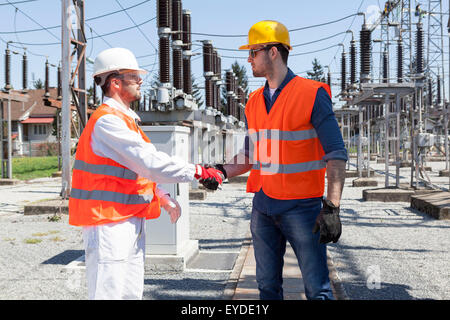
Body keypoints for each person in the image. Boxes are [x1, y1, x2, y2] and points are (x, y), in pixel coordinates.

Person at [68, 47, 224, 300]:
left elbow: (136, 170)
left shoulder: (125, 119)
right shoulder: (108, 121)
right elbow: (149, 162)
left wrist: (161, 195)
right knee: (110, 293)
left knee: (130, 292)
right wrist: (197, 171)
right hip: (109, 222)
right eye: (134, 77)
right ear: (115, 83)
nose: (141, 81)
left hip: (126, 219)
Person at [209, 21, 348, 300]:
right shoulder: (253, 100)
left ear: (273, 52)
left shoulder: (312, 94)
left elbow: (336, 153)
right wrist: (221, 171)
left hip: (303, 208)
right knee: (267, 288)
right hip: (264, 207)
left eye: (253, 52)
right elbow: (250, 155)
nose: (248, 59)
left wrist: (332, 207)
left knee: (318, 290)